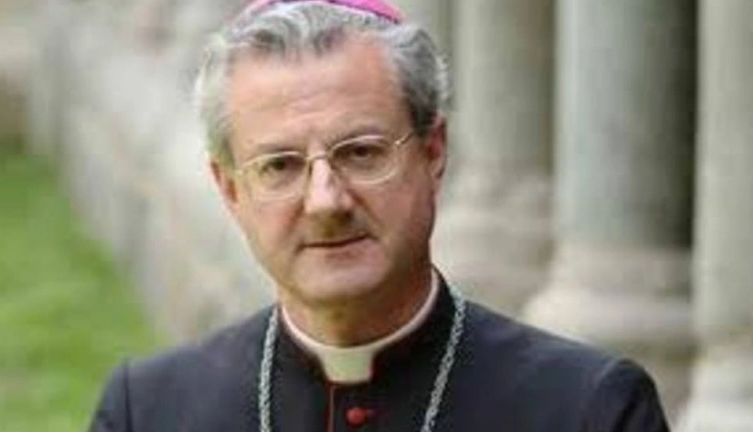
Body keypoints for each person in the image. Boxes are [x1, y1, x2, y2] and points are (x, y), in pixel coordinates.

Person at [87, 0, 670, 431]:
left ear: (433, 153)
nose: (326, 201)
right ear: (230, 189)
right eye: (280, 166)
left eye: (361, 154)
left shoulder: (589, 409)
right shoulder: (149, 413)